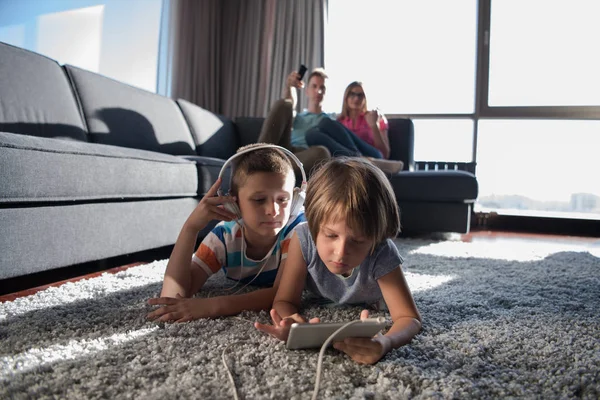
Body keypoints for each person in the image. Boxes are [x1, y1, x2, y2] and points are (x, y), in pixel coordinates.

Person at [255, 157, 421, 365]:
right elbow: (284, 301)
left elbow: (409, 318)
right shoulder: (303, 237)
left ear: (375, 237)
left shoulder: (382, 250)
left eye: (358, 241)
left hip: (373, 301)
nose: (341, 252)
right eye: (331, 235)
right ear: (314, 225)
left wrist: (385, 343)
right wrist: (292, 322)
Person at [147, 143, 306, 322]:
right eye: (259, 200)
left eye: (283, 199)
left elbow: (281, 294)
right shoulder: (224, 237)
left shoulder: (299, 232)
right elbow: (173, 295)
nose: (273, 211)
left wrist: (214, 306)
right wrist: (190, 228)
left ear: (295, 201)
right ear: (234, 203)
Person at [257, 68, 332, 175]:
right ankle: (256, 158)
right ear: (307, 90)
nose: (318, 91)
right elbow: (290, 103)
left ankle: (267, 167)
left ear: (326, 92)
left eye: (322, 87)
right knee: (285, 104)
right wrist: (290, 86)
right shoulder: (298, 116)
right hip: (285, 149)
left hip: (306, 156)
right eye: (314, 86)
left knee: (322, 153)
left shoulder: (330, 120)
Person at [337, 81, 391, 159]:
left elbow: (384, 154)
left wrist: (374, 125)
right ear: (346, 97)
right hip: (347, 160)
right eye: (352, 94)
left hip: (373, 157)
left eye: (360, 95)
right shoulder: (340, 121)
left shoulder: (376, 117)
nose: (356, 99)